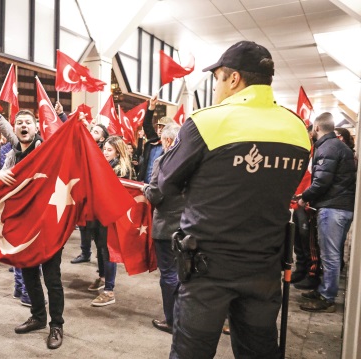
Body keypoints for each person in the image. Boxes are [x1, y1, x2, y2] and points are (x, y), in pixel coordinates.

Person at [158, 41, 311, 358]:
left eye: (216, 79)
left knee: (191, 352)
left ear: (233, 79)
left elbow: (165, 184)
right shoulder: (297, 128)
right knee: (259, 350)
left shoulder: (207, 122)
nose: (215, 87)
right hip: (265, 267)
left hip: (207, 270)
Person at [0, 107, 65, 350]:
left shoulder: (45, 150)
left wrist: (65, 120)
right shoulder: (11, 156)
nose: (23, 126)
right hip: (24, 227)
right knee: (29, 276)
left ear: (35, 127)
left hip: (49, 227)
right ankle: (39, 317)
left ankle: (56, 325)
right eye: (19, 122)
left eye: (28, 122)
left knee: (52, 279)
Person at [298, 112, 356, 313]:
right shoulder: (337, 146)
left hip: (333, 208)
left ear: (316, 128)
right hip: (339, 207)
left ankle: (327, 297)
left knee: (330, 255)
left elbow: (321, 182)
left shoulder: (328, 148)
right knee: (331, 253)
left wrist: (304, 197)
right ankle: (324, 289)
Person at [143, 122, 183, 334]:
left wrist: (145, 189)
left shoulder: (163, 161)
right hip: (188, 226)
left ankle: (172, 320)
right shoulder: (192, 161)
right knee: (184, 275)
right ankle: (183, 317)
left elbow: (156, 195)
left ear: (167, 140)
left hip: (166, 227)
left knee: (168, 275)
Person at [88, 135, 135, 307]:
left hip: (111, 217)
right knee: (101, 249)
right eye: (104, 149)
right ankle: (103, 277)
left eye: (109, 150)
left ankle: (109, 290)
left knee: (109, 252)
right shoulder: (107, 165)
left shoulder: (120, 169)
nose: (105, 152)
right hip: (100, 214)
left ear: (117, 151)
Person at [71, 123, 109, 264]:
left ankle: (102, 263)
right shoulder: (85, 147)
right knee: (83, 225)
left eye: (96, 132)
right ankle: (85, 252)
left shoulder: (100, 152)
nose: (92, 133)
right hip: (83, 190)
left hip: (95, 197)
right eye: (92, 130)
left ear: (101, 139)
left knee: (95, 230)